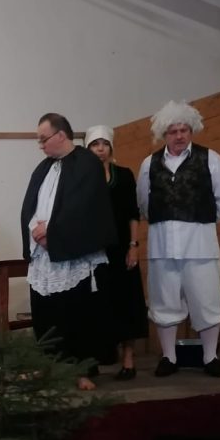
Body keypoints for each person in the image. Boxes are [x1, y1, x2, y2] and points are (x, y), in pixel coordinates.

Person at [137, 100, 220, 378]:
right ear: (163, 134)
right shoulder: (149, 164)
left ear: (191, 130)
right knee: (163, 301)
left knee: (207, 300)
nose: (179, 136)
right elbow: (144, 202)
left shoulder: (211, 159)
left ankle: (210, 357)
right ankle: (169, 357)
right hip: (162, 247)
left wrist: (201, 219)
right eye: (173, 131)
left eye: (184, 130)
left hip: (200, 245)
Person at [21, 113, 116, 390]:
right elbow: (30, 204)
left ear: (61, 135)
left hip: (74, 252)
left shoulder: (87, 164)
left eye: (43, 139)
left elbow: (84, 208)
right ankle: (47, 366)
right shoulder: (42, 168)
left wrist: (52, 232)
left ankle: (81, 370)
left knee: (76, 313)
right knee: (46, 313)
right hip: (45, 254)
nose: (40, 145)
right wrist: (36, 230)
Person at [85, 126, 149, 380]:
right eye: (95, 144)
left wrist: (133, 246)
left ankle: (128, 360)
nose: (100, 149)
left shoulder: (124, 175)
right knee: (95, 304)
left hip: (122, 248)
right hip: (93, 251)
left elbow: (133, 213)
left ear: (111, 147)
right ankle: (93, 359)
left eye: (104, 144)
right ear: (88, 149)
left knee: (127, 301)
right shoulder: (83, 179)